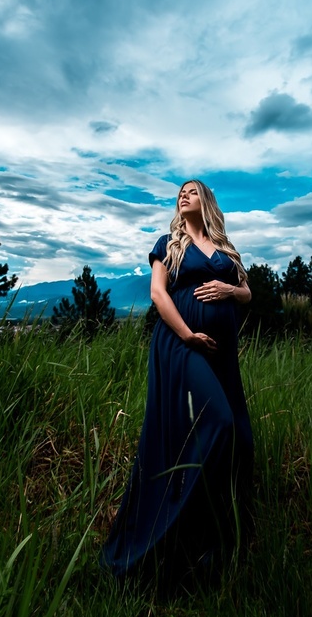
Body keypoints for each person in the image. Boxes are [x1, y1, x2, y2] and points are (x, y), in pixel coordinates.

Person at [101, 179, 254, 587]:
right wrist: (187, 333)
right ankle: (166, 536)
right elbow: (157, 293)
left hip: (222, 354)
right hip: (180, 345)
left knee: (239, 437)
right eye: (180, 192)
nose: (183, 195)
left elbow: (247, 293)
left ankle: (208, 546)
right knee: (218, 423)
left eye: (192, 190)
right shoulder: (169, 244)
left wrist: (230, 289)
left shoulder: (224, 249)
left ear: (207, 200)